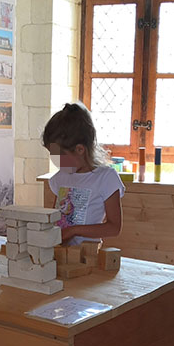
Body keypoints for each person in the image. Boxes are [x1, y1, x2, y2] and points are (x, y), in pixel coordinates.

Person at [42, 102, 123, 245]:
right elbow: (56, 219)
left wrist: (74, 230)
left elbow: (114, 227)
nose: (55, 162)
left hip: (88, 255)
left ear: (80, 149)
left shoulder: (105, 178)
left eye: (59, 156)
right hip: (59, 252)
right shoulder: (60, 178)